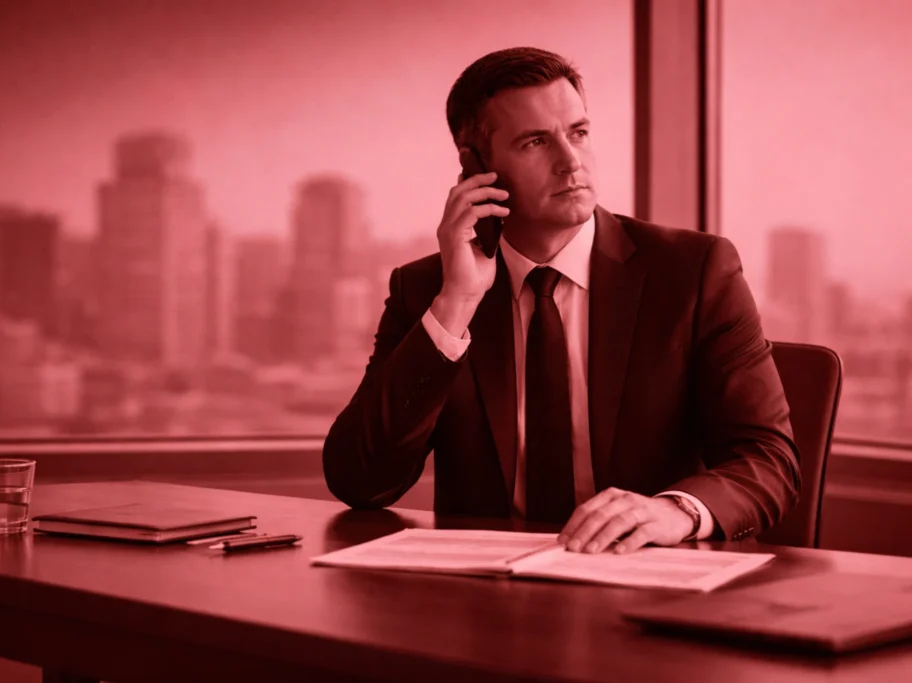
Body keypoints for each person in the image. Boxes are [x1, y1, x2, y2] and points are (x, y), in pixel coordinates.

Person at [322, 47, 801, 555]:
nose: (570, 162)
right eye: (535, 142)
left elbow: (769, 460)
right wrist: (456, 304)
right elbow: (360, 481)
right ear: (476, 167)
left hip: (647, 588)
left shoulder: (694, 272)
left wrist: (673, 510)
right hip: (483, 604)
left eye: (579, 133)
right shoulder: (427, 291)